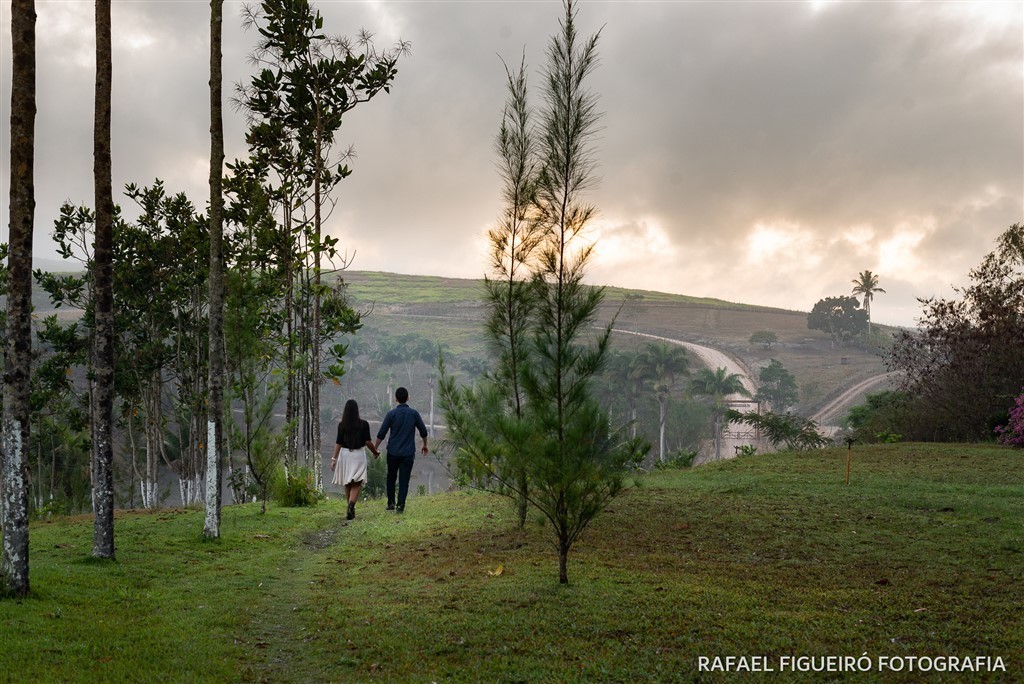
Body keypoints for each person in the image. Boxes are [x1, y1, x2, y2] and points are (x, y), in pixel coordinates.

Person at [373, 387, 428, 513]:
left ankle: (391, 503)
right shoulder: (414, 414)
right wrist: (425, 445)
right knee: (404, 479)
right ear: (408, 398)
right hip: (408, 453)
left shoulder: (391, 414)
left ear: (395, 399)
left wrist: (375, 449)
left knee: (391, 477)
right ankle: (400, 506)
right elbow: (424, 431)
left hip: (392, 452)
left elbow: (381, 434)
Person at [331, 399, 379, 520]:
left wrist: (334, 459)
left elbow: (338, 443)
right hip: (358, 455)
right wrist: (375, 452)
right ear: (357, 410)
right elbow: (368, 442)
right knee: (357, 482)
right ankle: (351, 506)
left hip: (345, 455)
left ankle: (349, 507)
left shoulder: (342, 425)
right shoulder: (364, 424)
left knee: (347, 482)